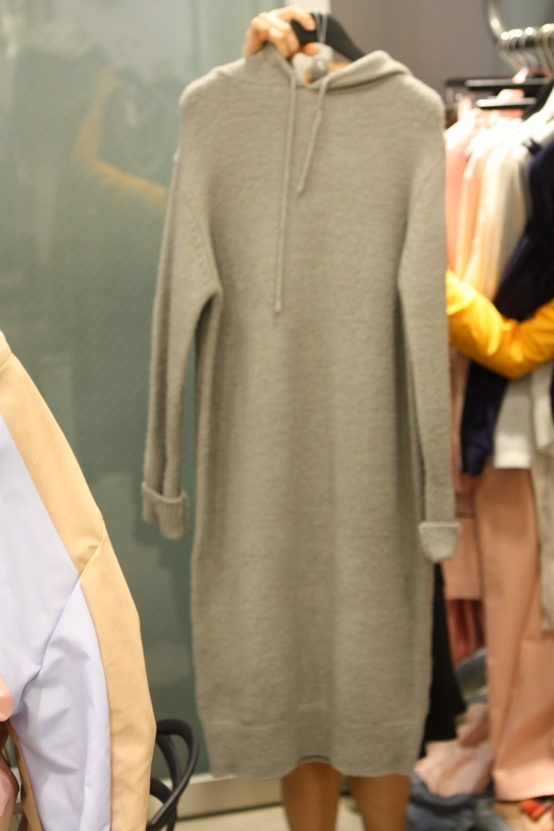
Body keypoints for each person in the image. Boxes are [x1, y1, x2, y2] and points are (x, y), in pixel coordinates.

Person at [240, 9, 554, 831]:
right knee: (310, 700)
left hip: (391, 469)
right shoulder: (263, 163)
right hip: (304, 464)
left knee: (385, 704)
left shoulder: (407, 148)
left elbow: (483, 331)